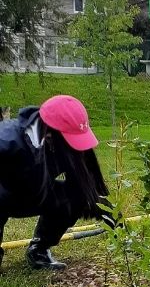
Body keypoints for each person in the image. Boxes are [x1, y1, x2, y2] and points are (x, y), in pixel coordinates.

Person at [0, 95, 108, 271]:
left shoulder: (59, 147)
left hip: (31, 192)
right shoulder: (6, 141)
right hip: (2, 194)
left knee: (78, 194)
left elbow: (89, 186)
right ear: (49, 135)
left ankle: (39, 250)